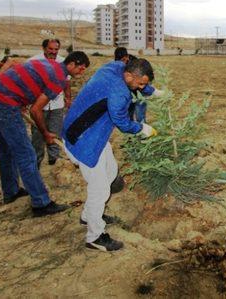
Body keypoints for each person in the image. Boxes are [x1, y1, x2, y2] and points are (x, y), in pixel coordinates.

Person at [62, 57, 157, 252]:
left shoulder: (116, 67)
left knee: (111, 172)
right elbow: (122, 122)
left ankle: (88, 215)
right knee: (100, 189)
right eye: (140, 84)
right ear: (129, 76)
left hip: (95, 133)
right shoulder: (119, 94)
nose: (141, 88)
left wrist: (154, 91)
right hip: (84, 141)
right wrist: (142, 128)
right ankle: (95, 237)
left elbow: (139, 81)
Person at [0, 51, 90, 216]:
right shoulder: (59, 79)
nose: (81, 72)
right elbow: (36, 110)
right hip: (4, 105)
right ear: (72, 64)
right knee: (27, 154)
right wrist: (45, 133)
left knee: (7, 150)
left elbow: (20, 71)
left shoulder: (51, 64)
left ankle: (11, 192)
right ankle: (41, 204)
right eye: (81, 68)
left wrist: (19, 97)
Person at [28, 39, 71, 167]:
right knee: (38, 135)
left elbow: (67, 82)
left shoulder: (63, 62)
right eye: (50, 49)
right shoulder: (33, 62)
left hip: (57, 104)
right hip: (39, 105)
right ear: (44, 48)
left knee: (55, 132)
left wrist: (68, 98)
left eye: (56, 49)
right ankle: (36, 161)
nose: (53, 52)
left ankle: (54, 159)